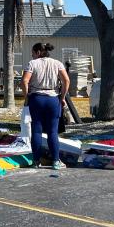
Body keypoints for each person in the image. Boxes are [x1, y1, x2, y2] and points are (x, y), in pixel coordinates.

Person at [21, 42, 70, 170]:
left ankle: (36, 161)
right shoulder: (57, 63)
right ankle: (55, 161)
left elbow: (25, 81)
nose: (32, 55)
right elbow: (66, 80)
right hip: (53, 98)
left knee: (36, 130)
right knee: (52, 132)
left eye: (32, 53)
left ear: (38, 52)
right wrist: (63, 97)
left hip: (36, 98)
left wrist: (27, 97)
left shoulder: (32, 64)